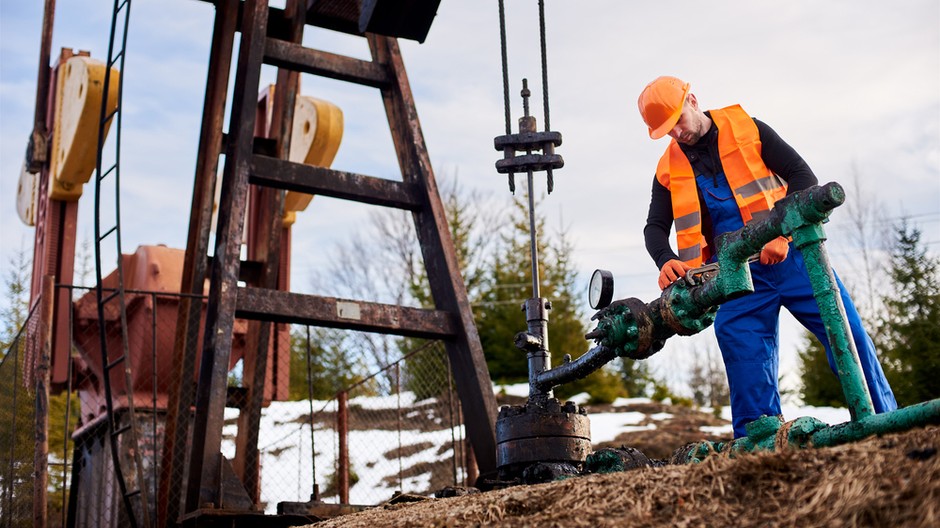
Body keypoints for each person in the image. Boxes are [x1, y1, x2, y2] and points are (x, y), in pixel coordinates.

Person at [636, 75, 897, 438]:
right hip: (736, 277)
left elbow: (803, 176)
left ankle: (887, 426)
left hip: (795, 260)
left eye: (678, 120)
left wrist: (783, 232)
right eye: (667, 130)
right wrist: (664, 259)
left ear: (692, 100)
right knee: (743, 356)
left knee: (847, 334)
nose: (677, 133)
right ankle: (759, 446)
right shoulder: (667, 169)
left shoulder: (749, 128)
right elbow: (654, 227)